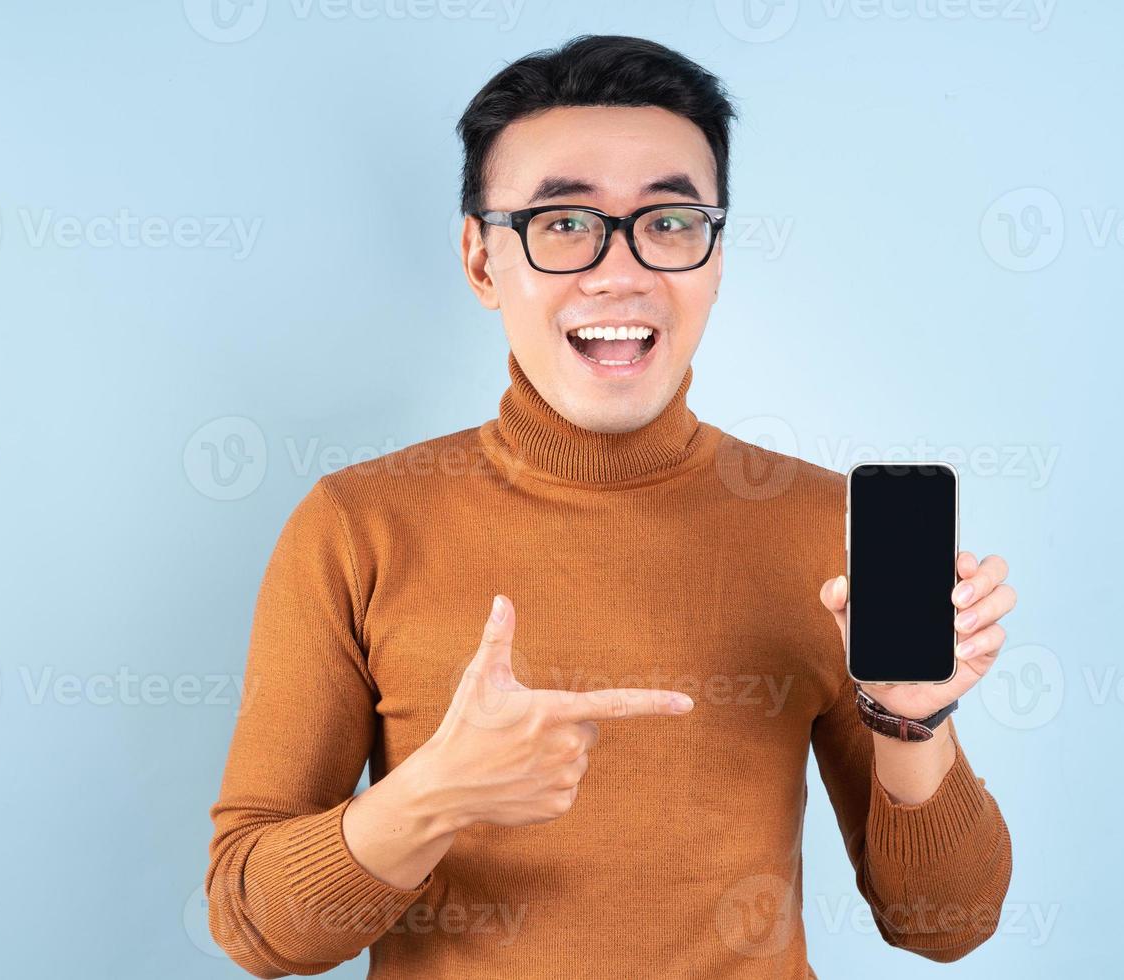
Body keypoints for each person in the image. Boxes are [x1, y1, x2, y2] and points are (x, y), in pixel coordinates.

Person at [205, 34, 1016, 979]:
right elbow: (256, 929)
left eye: (670, 221)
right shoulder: (357, 525)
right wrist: (432, 796)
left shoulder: (822, 525)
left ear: (715, 259)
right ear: (480, 260)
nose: (621, 271)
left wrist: (911, 720)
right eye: (562, 224)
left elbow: (944, 925)